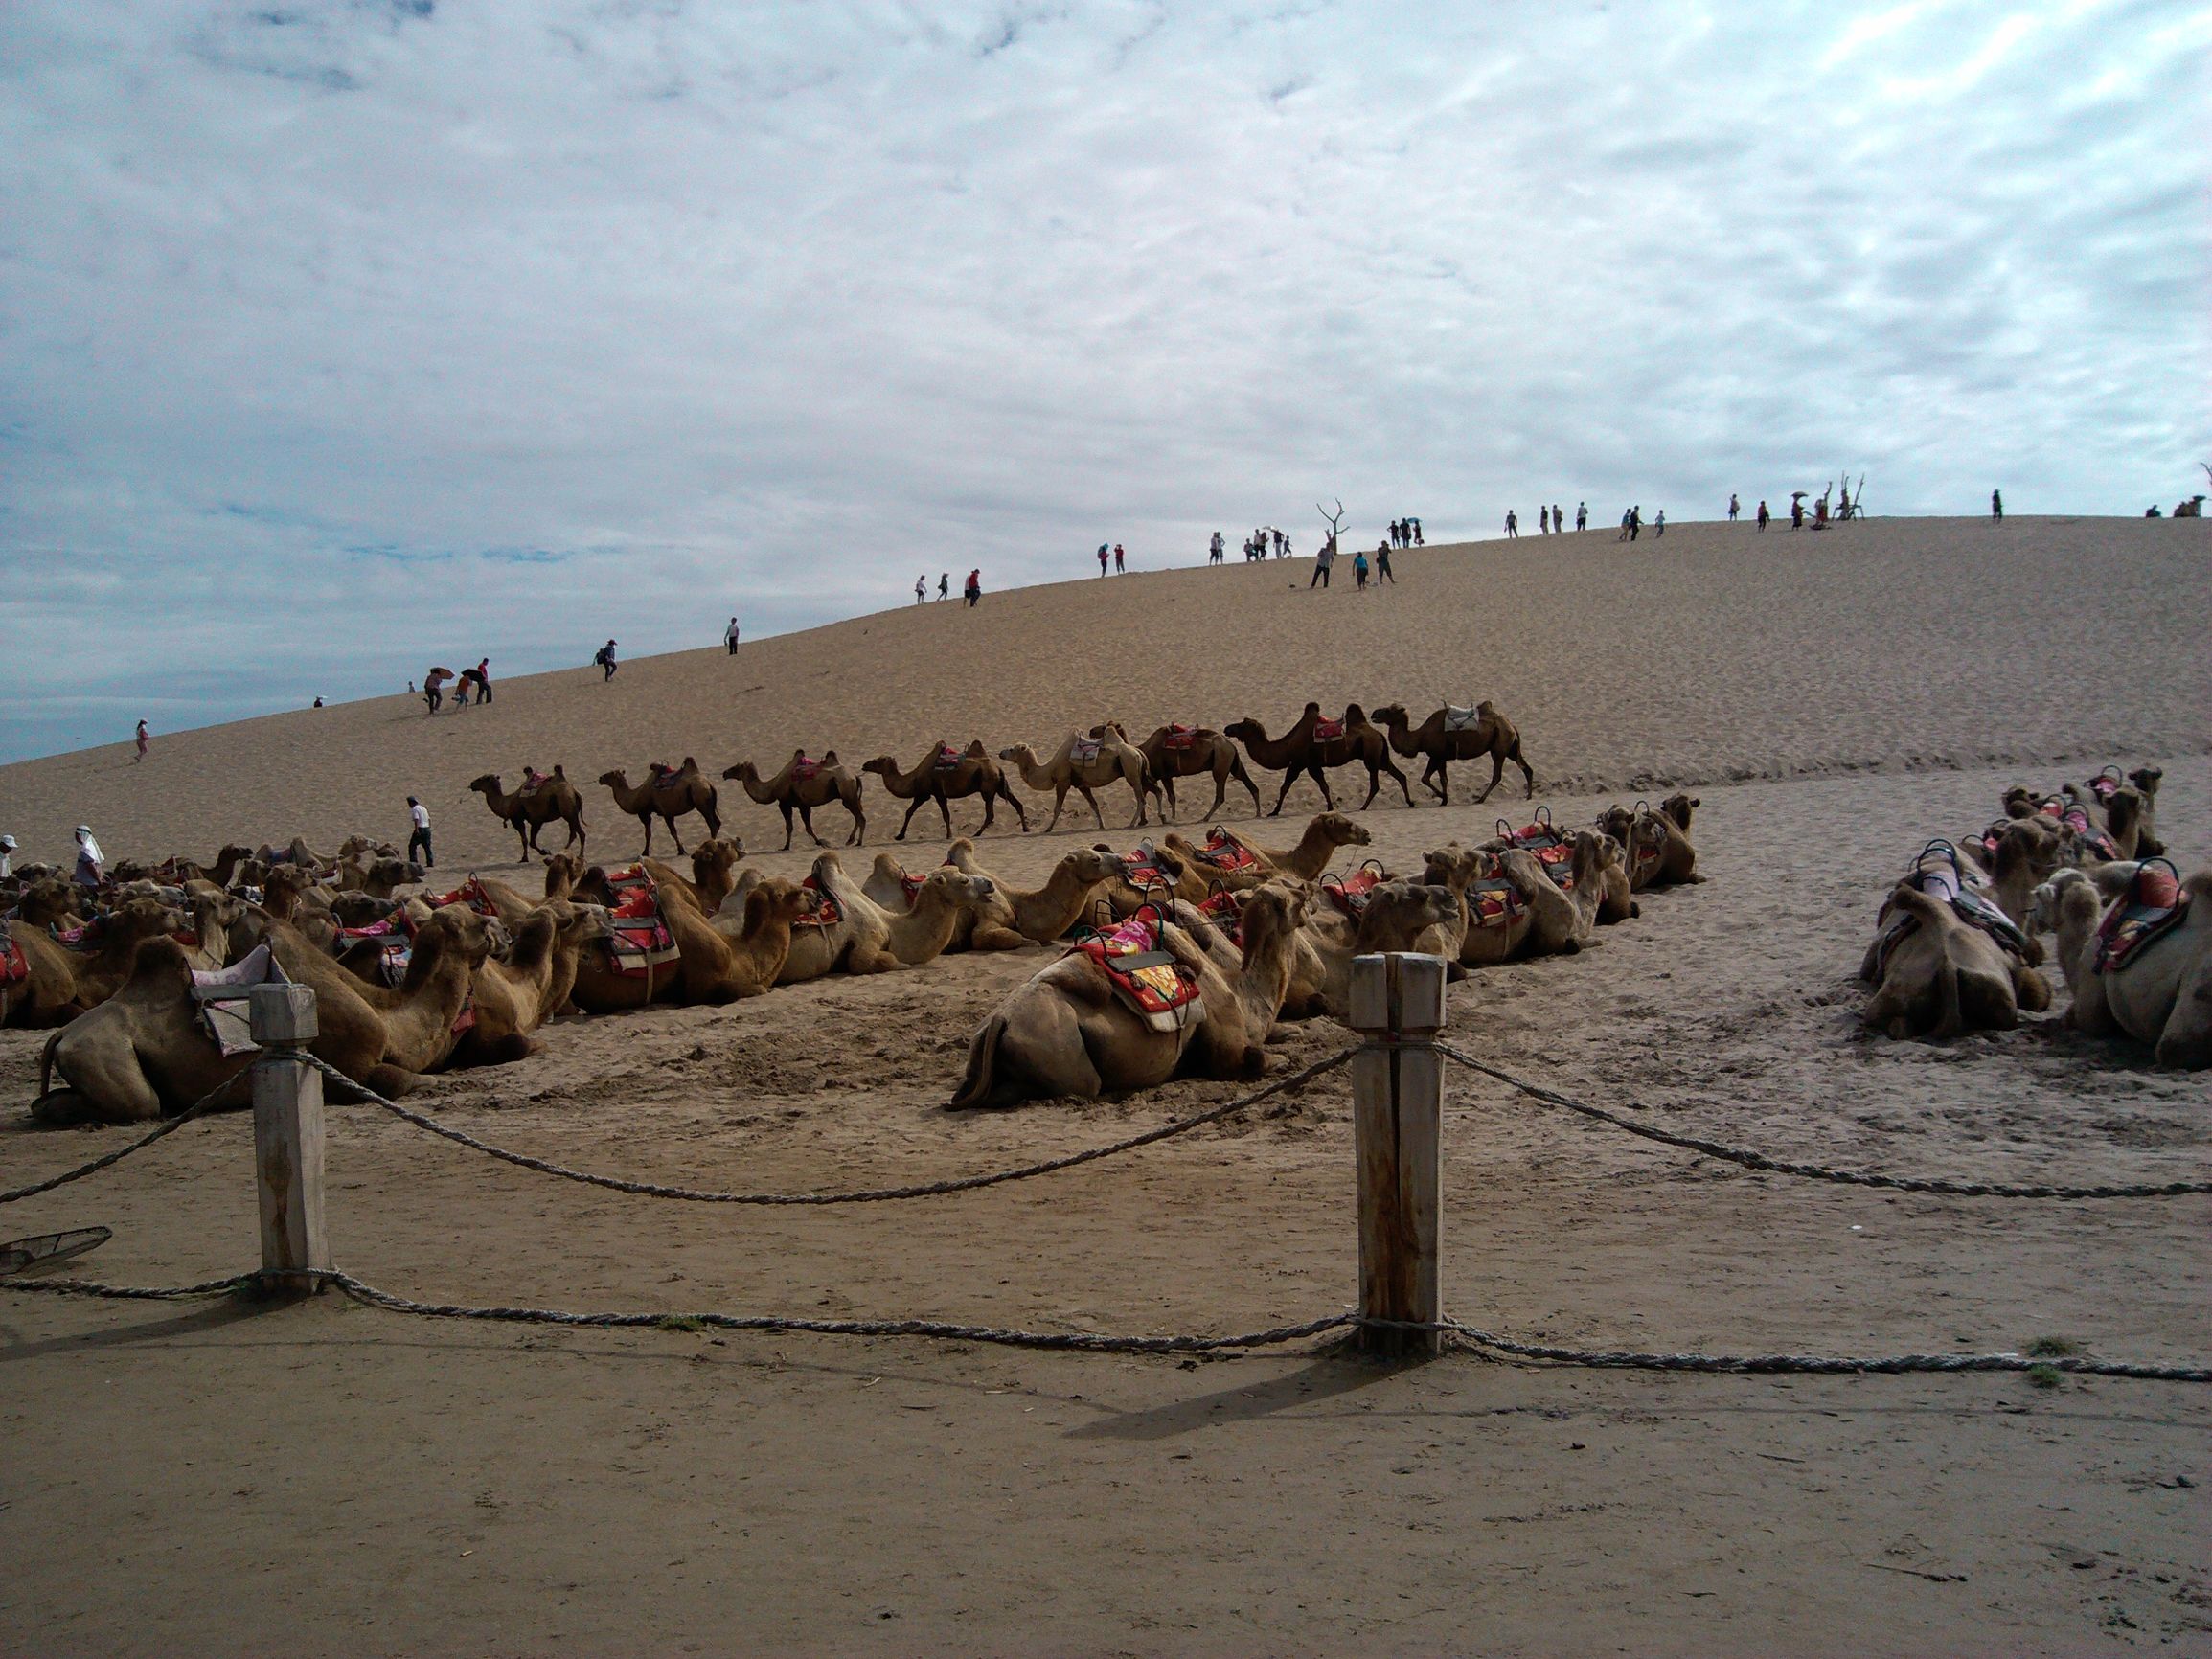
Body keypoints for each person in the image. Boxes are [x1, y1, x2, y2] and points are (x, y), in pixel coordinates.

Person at [406, 796, 434, 869]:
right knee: (427, 847)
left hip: (420, 828)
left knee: (412, 846)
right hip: (427, 828)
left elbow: (416, 819)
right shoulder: (424, 808)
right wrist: (429, 828)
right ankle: (430, 862)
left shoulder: (415, 809)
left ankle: (414, 862)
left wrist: (416, 830)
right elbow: (429, 819)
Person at [73, 825, 103, 891]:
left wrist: (98, 880)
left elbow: (90, 865)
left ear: (82, 835)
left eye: (77, 835)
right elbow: (98, 864)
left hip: (86, 884)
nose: (76, 837)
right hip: (91, 883)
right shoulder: (91, 847)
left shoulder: (86, 849)